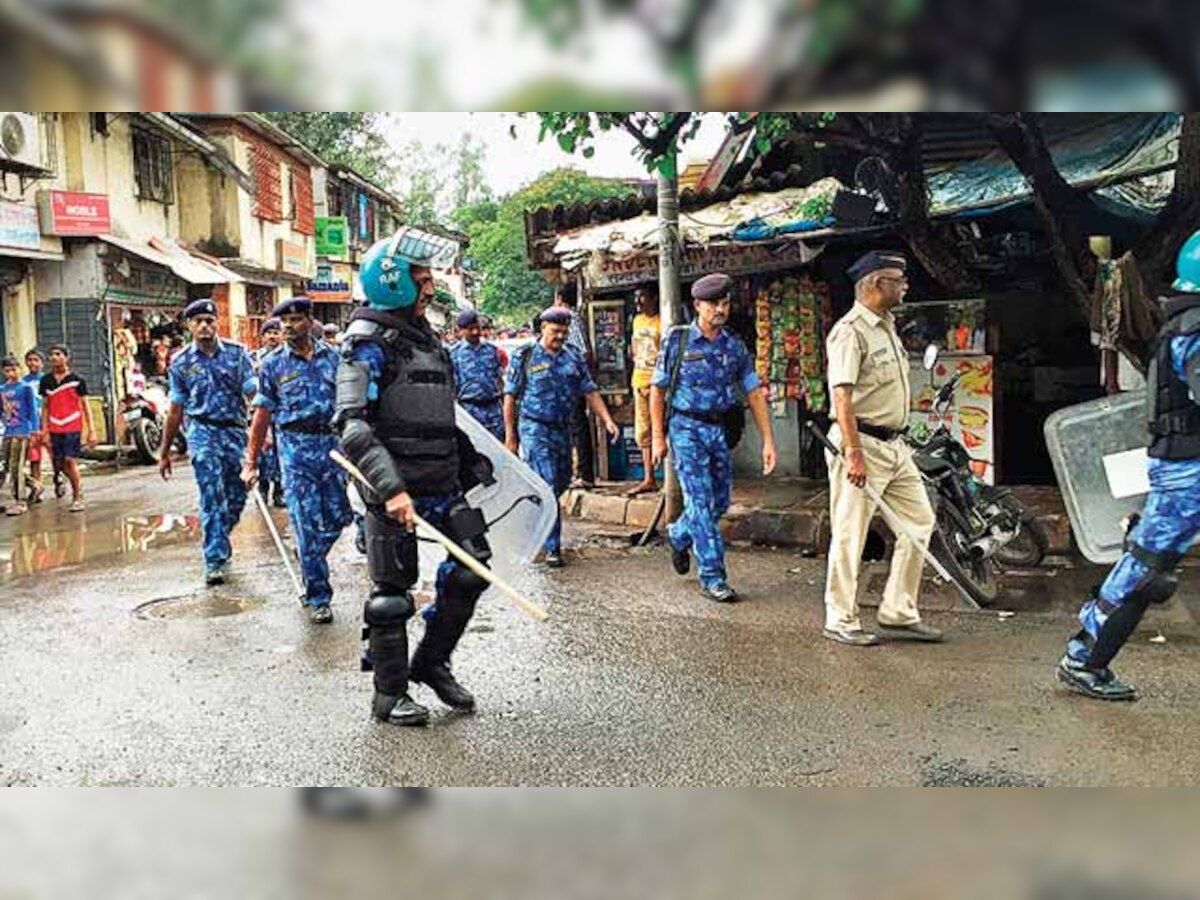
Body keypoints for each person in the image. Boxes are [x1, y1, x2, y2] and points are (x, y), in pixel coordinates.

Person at [336, 230, 500, 727]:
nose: (430, 287)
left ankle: (430, 661)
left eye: (429, 276)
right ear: (392, 282)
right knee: (391, 595)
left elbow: (440, 414)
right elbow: (352, 426)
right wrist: (391, 489)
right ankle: (389, 695)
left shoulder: (427, 340)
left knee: (474, 568)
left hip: (440, 483)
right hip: (394, 489)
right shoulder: (366, 343)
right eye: (421, 277)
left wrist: (470, 460)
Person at [1059, 231, 1200, 701]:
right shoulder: (1194, 331)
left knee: (1148, 563)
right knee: (1147, 567)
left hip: (1183, 464)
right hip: (1187, 471)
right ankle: (1085, 657)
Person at [822, 251, 942, 646]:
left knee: (919, 522)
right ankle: (840, 618)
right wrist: (853, 453)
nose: (905, 285)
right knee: (850, 533)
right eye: (897, 279)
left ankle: (898, 610)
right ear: (875, 283)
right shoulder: (850, 331)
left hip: (895, 446)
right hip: (863, 445)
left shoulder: (887, 325)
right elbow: (841, 397)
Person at [649, 273, 777, 603]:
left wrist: (768, 440)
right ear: (697, 306)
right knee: (702, 504)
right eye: (713, 304)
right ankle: (713, 576)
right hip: (686, 429)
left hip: (717, 429)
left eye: (725, 303)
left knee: (719, 502)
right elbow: (657, 390)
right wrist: (659, 438)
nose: (720, 309)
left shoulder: (733, 344)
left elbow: (753, 392)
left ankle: (678, 535)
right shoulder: (677, 342)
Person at [243, 297, 352, 625]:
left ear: (310, 320)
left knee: (338, 517)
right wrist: (251, 461)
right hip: (294, 449)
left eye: (295, 321)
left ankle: (309, 555)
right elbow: (262, 415)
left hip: (332, 446)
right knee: (305, 520)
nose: (288, 328)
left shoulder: (335, 359)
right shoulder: (274, 365)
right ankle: (318, 595)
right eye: (283, 322)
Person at [504, 306, 620, 568]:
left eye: (564, 332)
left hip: (562, 428)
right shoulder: (526, 356)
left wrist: (608, 420)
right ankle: (552, 547)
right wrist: (512, 437)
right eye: (555, 331)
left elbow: (589, 391)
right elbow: (510, 398)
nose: (560, 336)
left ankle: (533, 516)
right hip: (535, 428)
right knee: (547, 484)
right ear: (543, 328)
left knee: (562, 480)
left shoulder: (573, 357)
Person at [159, 299, 257, 586]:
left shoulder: (238, 355)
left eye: (209, 320)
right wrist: (164, 452)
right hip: (202, 432)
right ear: (189, 326)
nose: (204, 326)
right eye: (198, 321)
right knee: (211, 494)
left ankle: (219, 535)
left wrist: (263, 428)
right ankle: (214, 558)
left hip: (235, 432)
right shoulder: (180, 362)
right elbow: (175, 408)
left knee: (237, 494)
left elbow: (252, 391)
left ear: (217, 323)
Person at [39, 344, 96, 512]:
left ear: (66, 358)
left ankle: (78, 496)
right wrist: (45, 430)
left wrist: (91, 430)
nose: (54, 357)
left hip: (73, 425)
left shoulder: (78, 380)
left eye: (58, 354)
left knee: (70, 460)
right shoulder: (46, 381)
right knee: (59, 463)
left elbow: (85, 405)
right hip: (54, 426)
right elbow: (45, 407)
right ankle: (67, 482)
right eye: (51, 355)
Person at [553, 283, 597, 489]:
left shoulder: (569, 319)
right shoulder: (571, 318)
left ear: (560, 298)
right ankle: (576, 471)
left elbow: (583, 351)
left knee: (579, 426)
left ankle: (585, 473)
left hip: (573, 383)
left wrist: (582, 381)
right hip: (568, 385)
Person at [450, 308, 507, 442]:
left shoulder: (492, 351)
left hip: (493, 410)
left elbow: (499, 380)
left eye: (477, 328)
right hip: (469, 409)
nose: (475, 332)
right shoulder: (454, 354)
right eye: (470, 329)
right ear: (461, 330)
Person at [627, 285, 662, 497]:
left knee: (662, 429)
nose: (639, 302)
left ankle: (669, 477)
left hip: (657, 384)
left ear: (654, 298)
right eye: (637, 298)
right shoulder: (637, 321)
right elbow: (634, 348)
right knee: (643, 432)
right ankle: (649, 478)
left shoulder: (663, 321)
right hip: (639, 380)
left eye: (643, 297)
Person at [252, 318, 285, 509]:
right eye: (269, 333)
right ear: (262, 337)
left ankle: (279, 491)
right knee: (262, 454)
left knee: (280, 453)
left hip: (281, 414)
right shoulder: (254, 359)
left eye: (276, 332)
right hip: (261, 413)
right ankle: (263, 489)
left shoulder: (287, 358)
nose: (272, 336)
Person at [2, 355, 41, 515]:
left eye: (14, 369)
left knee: (17, 467)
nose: (11, 373)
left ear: (19, 369)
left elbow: (33, 411)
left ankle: (20, 501)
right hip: (8, 431)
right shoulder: (2, 390)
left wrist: (34, 431)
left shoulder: (25, 388)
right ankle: (35, 484)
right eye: (7, 370)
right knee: (6, 466)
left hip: (23, 431)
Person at [21, 349, 46, 504]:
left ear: (42, 363)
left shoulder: (47, 380)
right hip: (31, 423)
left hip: (47, 421)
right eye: (29, 360)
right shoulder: (23, 382)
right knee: (34, 458)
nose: (32, 363)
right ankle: (37, 487)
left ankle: (59, 479)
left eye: (36, 360)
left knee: (57, 456)